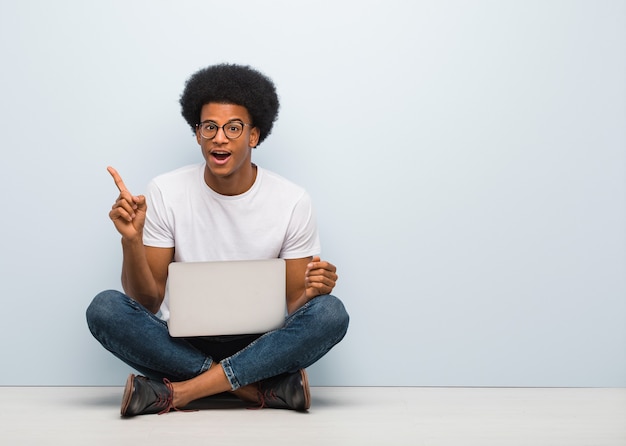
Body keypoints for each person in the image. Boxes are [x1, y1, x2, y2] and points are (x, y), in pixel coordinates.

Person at [86, 63, 349, 417]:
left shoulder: (292, 200)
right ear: (197, 135)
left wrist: (313, 292)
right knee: (105, 309)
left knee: (330, 313)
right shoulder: (166, 190)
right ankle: (255, 390)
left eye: (233, 128)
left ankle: (180, 393)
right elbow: (146, 301)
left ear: (254, 135)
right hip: (182, 340)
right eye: (209, 127)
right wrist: (131, 241)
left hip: (261, 343)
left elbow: (295, 305)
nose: (219, 138)